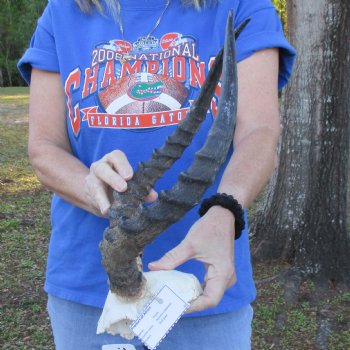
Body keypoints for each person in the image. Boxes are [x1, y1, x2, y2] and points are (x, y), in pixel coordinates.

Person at [18, 0, 295, 349]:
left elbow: (259, 132)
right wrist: (94, 189)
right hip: (88, 291)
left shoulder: (240, 5)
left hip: (202, 286)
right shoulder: (64, 11)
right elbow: (44, 147)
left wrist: (225, 208)